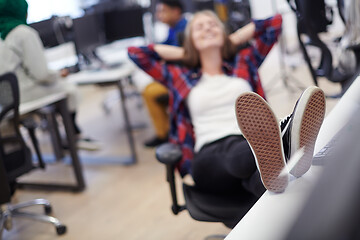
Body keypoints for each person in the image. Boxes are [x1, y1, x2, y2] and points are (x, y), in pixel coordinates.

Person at [129, 10, 326, 196]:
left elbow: (274, 23)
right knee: (245, 156)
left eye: (213, 25)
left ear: (224, 33)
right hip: (209, 155)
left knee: (265, 181)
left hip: (252, 143)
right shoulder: (179, 74)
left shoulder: (243, 61)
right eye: (199, 28)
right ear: (189, 41)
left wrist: (232, 40)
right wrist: (186, 53)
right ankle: (287, 143)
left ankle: (281, 160)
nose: (207, 28)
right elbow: (136, 53)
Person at [0, 0, 99, 151]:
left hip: (5, 99)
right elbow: (41, 74)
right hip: (23, 94)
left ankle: (66, 134)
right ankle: (73, 136)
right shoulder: (23, 33)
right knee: (69, 89)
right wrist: (59, 75)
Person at [137, 0, 188, 147]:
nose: (159, 15)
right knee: (148, 87)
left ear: (176, 11)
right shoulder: (174, 28)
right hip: (173, 75)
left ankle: (163, 135)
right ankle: (166, 132)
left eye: (163, 11)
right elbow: (163, 47)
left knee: (149, 92)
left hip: (181, 79)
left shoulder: (183, 30)